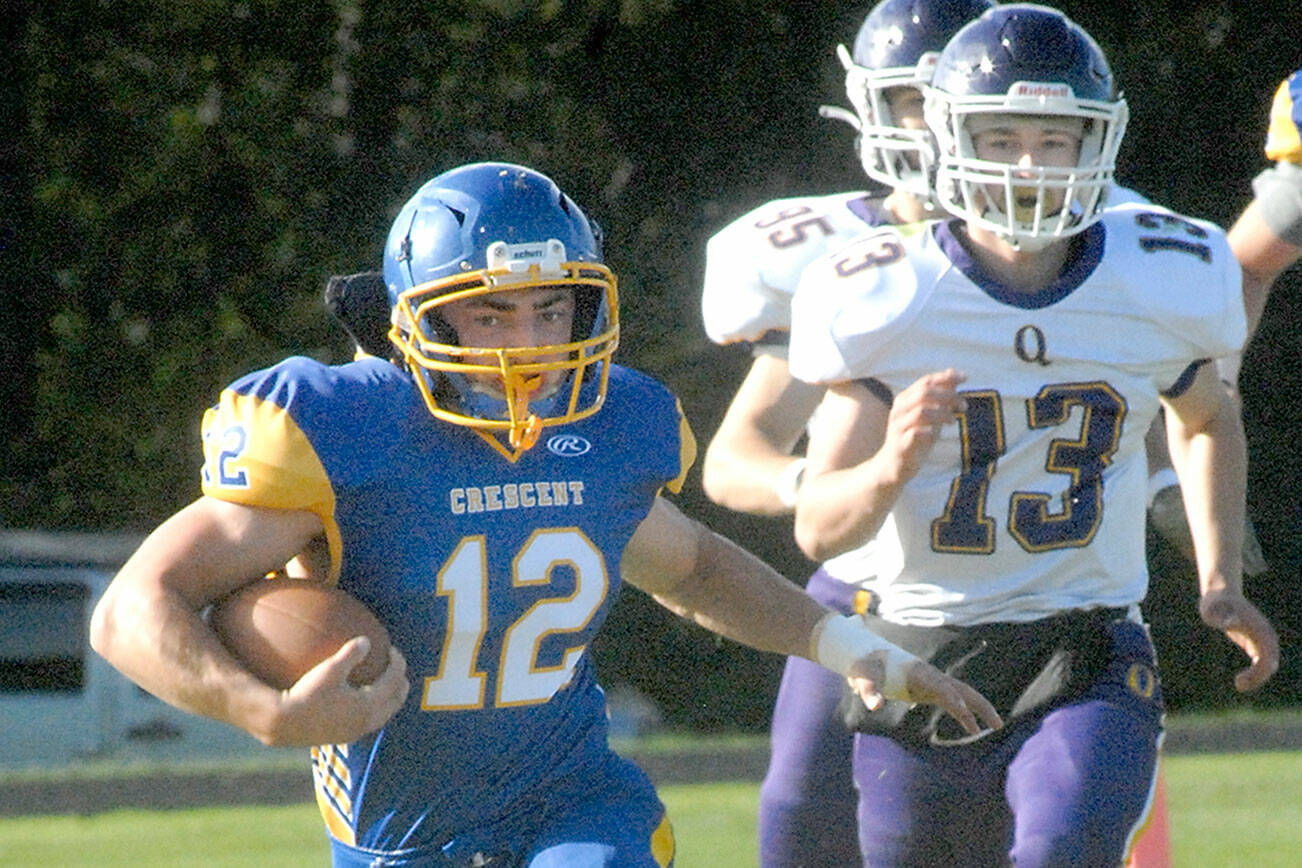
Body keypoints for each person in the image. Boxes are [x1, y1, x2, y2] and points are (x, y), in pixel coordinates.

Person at [89, 162, 1001, 868]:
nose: (529, 344)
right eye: (490, 315)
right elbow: (134, 609)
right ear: (425, 325)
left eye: (550, 309)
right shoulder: (345, 430)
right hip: (397, 834)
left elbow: (693, 568)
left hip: (572, 801)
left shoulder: (610, 427)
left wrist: (853, 648)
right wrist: (266, 710)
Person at [786, 6, 1280, 866]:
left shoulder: (1157, 272)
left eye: (1056, 141)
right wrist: (892, 465)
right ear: (946, 138)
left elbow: (1206, 417)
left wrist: (1218, 573)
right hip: (922, 647)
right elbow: (818, 529)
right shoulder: (885, 295)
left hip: (1084, 642)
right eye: (1002, 136)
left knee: (1064, 846)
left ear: (1098, 145)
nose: (1028, 165)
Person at [699, 2, 996, 864]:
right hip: (866, 598)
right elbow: (734, 457)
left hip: (1035, 602)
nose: (935, 123)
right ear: (872, 106)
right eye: (915, 98)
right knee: (801, 827)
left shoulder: (1082, 255)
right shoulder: (843, 261)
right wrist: (827, 487)